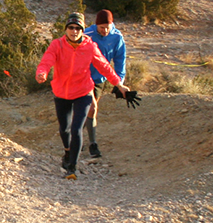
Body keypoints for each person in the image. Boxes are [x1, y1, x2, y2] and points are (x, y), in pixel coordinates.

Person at [35, 13, 137, 180]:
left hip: (83, 92)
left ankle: (72, 168)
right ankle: (67, 153)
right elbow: (46, 61)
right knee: (64, 129)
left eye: (78, 28)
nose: (74, 31)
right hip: (61, 93)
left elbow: (104, 66)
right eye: (71, 28)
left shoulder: (90, 46)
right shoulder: (57, 45)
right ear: (66, 29)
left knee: (76, 129)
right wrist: (42, 73)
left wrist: (119, 85)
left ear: (82, 30)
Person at [81, 9, 127, 159]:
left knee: (88, 110)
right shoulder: (88, 35)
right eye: (102, 27)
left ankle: (76, 136)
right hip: (84, 77)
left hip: (101, 79)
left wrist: (119, 83)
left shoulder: (117, 37)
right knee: (91, 108)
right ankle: (92, 144)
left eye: (107, 27)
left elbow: (120, 60)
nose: (105, 30)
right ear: (96, 25)